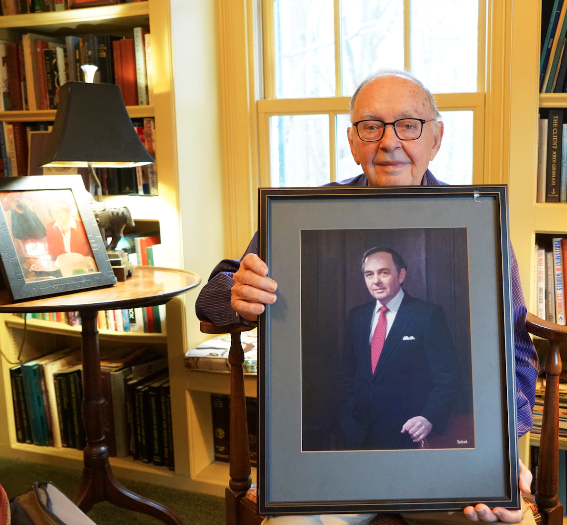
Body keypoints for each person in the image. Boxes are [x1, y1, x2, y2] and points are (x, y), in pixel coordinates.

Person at [195, 69, 538, 524]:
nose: (390, 142)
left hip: (439, 459)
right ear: (354, 142)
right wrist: (235, 292)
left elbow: (515, 351)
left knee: (504, 523)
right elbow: (211, 301)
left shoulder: (479, 224)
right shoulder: (301, 219)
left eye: (409, 125)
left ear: (436, 137)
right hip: (340, 463)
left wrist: (499, 451)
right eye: (371, 126)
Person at [339, 247, 458, 450]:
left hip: (405, 435)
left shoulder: (427, 315)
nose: (375, 280)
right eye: (369, 274)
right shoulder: (357, 316)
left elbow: (448, 376)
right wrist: (348, 416)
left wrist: (428, 417)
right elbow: (349, 373)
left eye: (383, 272)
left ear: (401, 275)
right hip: (358, 434)